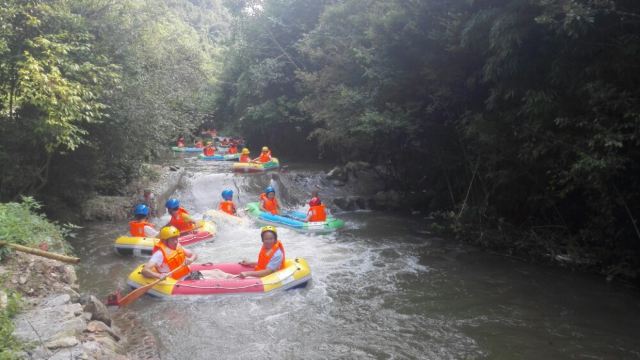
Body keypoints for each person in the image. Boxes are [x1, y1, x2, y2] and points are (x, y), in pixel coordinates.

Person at [142, 226, 233, 281]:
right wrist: (158, 275)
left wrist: (191, 259)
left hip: (188, 275)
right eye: (173, 239)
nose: (176, 241)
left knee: (217, 272)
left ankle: (238, 277)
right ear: (165, 241)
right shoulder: (159, 254)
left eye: (176, 238)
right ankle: (236, 280)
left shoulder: (177, 246)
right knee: (217, 277)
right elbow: (145, 270)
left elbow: (194, 254)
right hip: (179, 281)